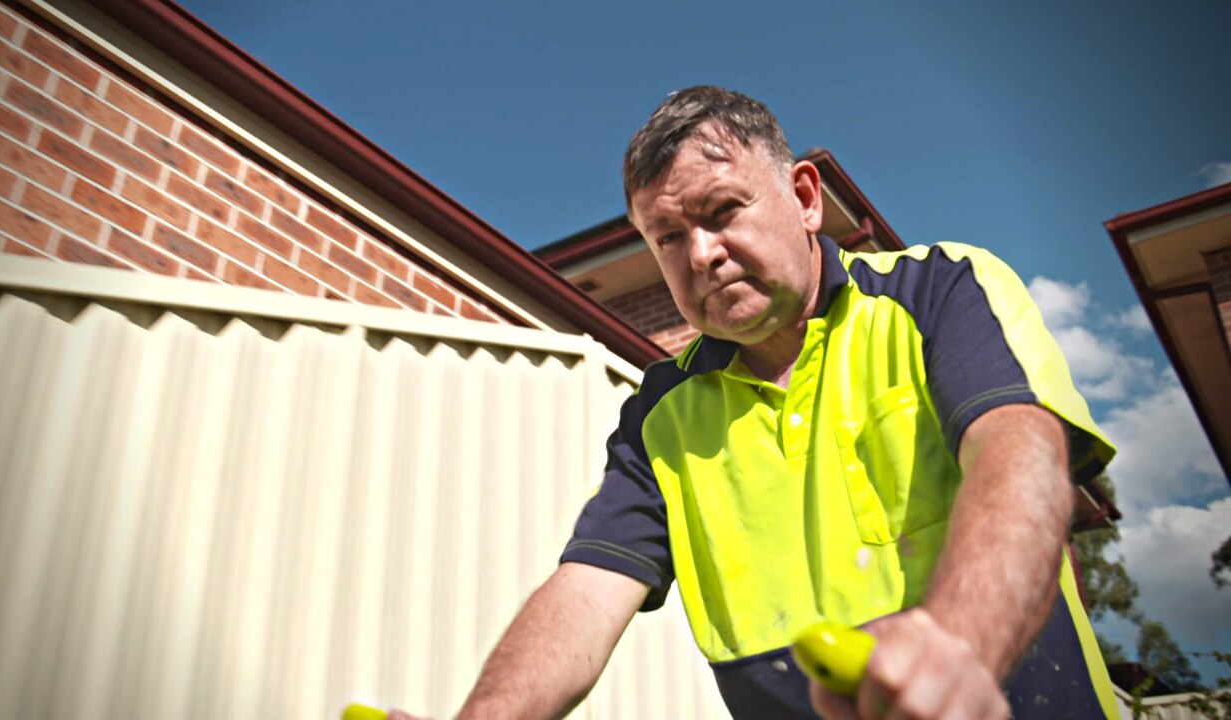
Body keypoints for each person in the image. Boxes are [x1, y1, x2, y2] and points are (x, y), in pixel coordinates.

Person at [396, 85, 1120, 719]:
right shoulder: (660, 414)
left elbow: (1018, 451)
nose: (700, 253)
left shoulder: (938, 293)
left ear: (805, 199)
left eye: (722, 211)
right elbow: (588, 590)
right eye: (668, 236)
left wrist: (959, 646)